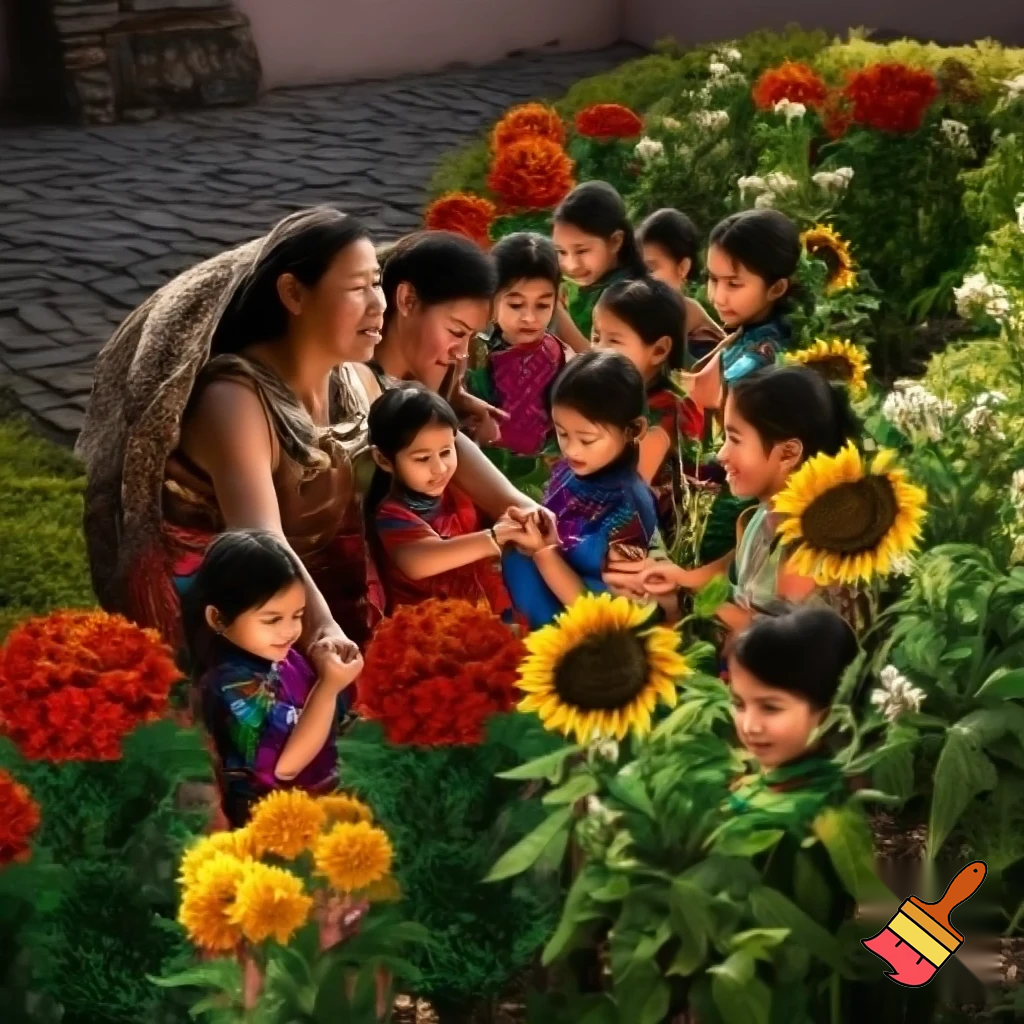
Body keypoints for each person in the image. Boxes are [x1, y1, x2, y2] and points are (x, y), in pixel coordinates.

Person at [642, 364, 860, 635]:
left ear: (787, 454)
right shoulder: (764, 514)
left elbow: (779, 636)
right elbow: (735, 562)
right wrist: (682, 578)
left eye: (735, 439)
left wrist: (701, 603)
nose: (721, 454)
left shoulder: (811, 546)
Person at [184, 530, 362, 828]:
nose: (290, 631)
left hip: (319, 798)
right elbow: (288, 766)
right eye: (272, 619)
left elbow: (331, 718)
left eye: (298, 615)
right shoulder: (231, 684)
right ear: (218, 618)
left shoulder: (281, 656)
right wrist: (328, 686)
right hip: (271, 821)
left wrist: (325, 664)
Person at [502, 351, 658, 629]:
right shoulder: (568, 471)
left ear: (633, 429)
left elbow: (597, 611)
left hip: (571, 633)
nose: (571, 450)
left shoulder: (629, 511)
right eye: (562, 434)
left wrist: (544, 552)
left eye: (587, 439)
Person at [366, 385, 522, 615]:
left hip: (481, 613)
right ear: (383, 459)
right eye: (423, 458)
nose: (439, 468)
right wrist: (494, 538)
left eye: (446, 452)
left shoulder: (457, 492)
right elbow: (419, 561)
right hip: (426, 632)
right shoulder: (392, 515)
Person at [590, 277, 704, 545]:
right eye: (596, 337)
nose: (598, 350)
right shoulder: (617, 395)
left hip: (652, 540)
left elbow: (630, 487)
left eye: (614, 341)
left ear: (659, 350)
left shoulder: (668, 410)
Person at [678, 208, 802, 410]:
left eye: (734, 284)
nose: (718, 297)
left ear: (776, 288)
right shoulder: (749, 330)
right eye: (713, 279)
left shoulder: (765, 356)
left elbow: (704, 396)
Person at [464, 232, 568, 457]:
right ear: (492, 297)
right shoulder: (476, 343)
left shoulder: (547, 356)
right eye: (516, 304)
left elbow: (523, 438)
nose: (529, 318)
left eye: (542, 305)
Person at [728, 605, 858, 772]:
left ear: (830, 709)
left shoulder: (832, 795)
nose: (749, 727)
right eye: (739, 704)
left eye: (770, 708)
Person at [550, 181, 647, 353]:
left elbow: (598, 362)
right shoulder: (575, 284)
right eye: (561, 252)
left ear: (616, 241)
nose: (571, 265)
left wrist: (555, 309)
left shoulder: (630, 296)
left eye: (581, 251)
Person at [637, 207, 725, 363]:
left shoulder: (687, 311)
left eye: (650, 269)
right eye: (638, 270)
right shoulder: (647, 311)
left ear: (682, 267)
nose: (641, 278)